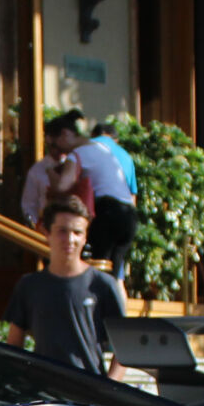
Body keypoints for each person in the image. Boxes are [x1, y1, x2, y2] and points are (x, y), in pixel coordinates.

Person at [4, 196, 127, 377]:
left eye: (77, 232)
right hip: (43, 393)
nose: (70, 239)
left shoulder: (102, 285)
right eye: (62, 231)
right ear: (46, 233)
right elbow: (14, 343)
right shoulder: (29, 285)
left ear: (85, 236)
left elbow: (124, 349)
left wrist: (109, 389)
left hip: (89, 395)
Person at [73, 122, 138, 287]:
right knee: (116, 275)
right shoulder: (125, 155)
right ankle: (115, 310)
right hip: (128, 216)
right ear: (115, 139)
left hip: (104, 210)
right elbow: (132, 195)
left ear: (94, 135)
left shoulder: (90, 148)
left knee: (98, 265)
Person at [19, 111, 94, 228]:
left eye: (56, 145)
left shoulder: (79, 160)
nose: (56, 150)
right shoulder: (38, 169)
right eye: (51, 146)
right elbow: (29, 204)